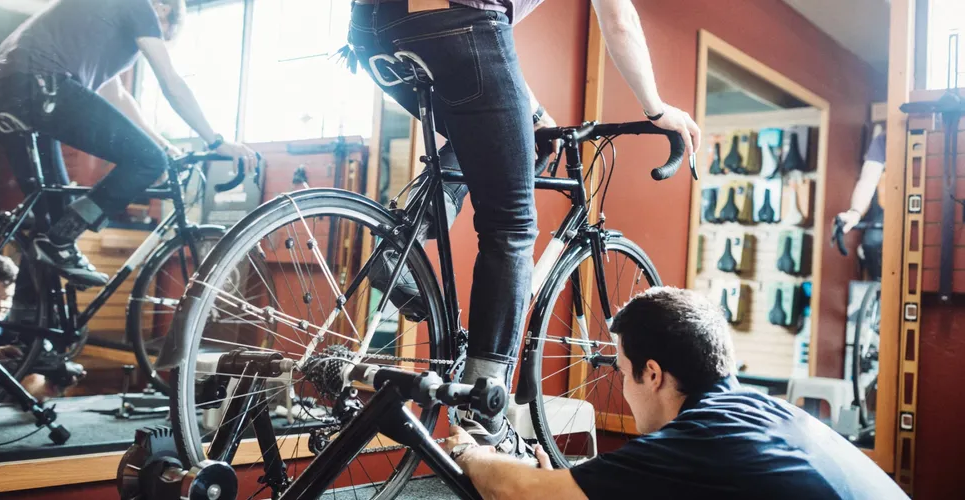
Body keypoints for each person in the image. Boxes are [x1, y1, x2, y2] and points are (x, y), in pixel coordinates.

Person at [348, 0, 701, 455]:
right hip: (457, 19)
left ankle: (400, 247)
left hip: (371, 28)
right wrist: (656, 110)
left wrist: (535, 116)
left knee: (491, 132)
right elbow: (619, 18)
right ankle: (484, 406)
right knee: (511, 226)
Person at [442, 287, 908, 499]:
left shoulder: (700, 442)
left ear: (653, 374)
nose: (623, 388)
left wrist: (467, 449)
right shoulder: (765, 413)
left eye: (623, 373)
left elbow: (520, 493)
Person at [0, 0, 258, 287]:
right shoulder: (141, 6)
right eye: (164, 30)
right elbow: (170, 81)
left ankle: (27, 320)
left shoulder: (101, 22)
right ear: (164, 10)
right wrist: (215, 141)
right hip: (41, 84)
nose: (155, 36)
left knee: (51, 220)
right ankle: (61, 239)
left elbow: (119, 97)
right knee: (147, 161)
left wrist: (161, 143)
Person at [0, 255, 80, 403]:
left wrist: (48, 388)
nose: (0, 308)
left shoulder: (9, 332)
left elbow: (25, 387)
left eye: (7, 298)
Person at [836, 129, 885, 280]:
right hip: (892, 210)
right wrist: (855, 212)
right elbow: (867, 181)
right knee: (873, 241)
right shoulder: (882, 141)